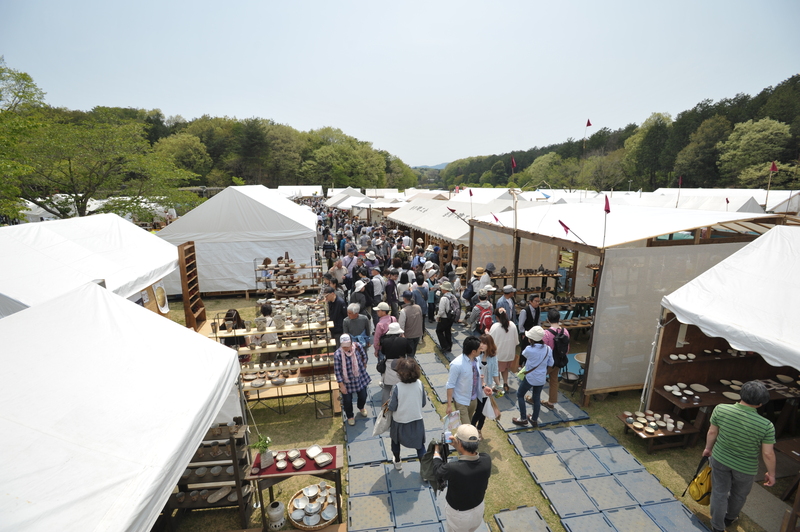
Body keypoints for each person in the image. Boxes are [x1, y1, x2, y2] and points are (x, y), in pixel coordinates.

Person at [703, 381, 776, 532]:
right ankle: (730, 517)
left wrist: (708, 449)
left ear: (741, 394)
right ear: (760, 403)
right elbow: (768, 453)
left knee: (719, 492)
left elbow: (712, 432)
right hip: (746, 467)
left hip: (720, 458)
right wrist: (771, 473)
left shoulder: (721, 409)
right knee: (739, 494)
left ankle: (717, 525)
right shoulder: (766, 425)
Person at [431, 424, 492, 532]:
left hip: (459, 516)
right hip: (478, 509)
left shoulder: (453, 468)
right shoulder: (486, 460)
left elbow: (437, 470)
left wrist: (436, 451)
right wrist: (458, 446)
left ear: (460, 443)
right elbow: (470, 459)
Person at [388, 357, 428, 469]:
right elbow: (423, 403)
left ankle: (397, 461)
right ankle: (425, 470)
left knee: (395, 442)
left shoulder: (397, 387)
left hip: (399, 421)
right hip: (416, 420)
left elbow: (392, 407)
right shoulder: (420, 384)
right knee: (420, 446)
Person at [445, 336, 493, 426]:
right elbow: (450, 385)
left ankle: (460, 438)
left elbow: (477, 377)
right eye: (479, 348)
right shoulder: (456, 364)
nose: (481, 350)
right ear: (473, 351)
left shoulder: (477, 359)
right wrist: (449, 405)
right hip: (461, 401)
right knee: (467, 428)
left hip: (473, 399)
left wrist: (484, 386)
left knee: (468, 426)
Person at [512, 326, 553, 427]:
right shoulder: (548, 349)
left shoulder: (529, 349)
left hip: (530, 377)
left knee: (520, 394)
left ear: (531, 339)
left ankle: (523, 418)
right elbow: (551, 363)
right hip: (541, 378)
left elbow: (524, 354)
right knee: (537, 398)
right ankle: (534, 419)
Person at [333, 334, 371, 426]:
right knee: (347, 401)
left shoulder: (357, 346)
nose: (345, 348)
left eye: (347, 346)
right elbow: (337, 371)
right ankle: (350, 416)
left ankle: (361, 407)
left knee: (363, 395)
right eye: (343, 346)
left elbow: (364, 356)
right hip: (347, 381)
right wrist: (341, 385)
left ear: (351, 343)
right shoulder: (338, 354)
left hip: (360, 377)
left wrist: (364, 365)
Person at [471, 334, 500, 438]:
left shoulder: (493, 357)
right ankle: (472, 428)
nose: (481, 345)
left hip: (487, 388)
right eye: (480, 343)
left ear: (489, 344)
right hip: (476, 387)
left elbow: (495, 373)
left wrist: (499, 385)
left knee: (482, 411)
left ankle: (478, 429)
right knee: (478, 410)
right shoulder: (476, 355)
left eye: (484, 343)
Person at [380, 322, 414, 403]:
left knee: (387, 387)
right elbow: (410, 351)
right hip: (401, 364)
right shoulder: (404, 341)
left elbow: (383, 352)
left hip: (389, 364)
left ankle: (384, 408)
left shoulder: (385, 341)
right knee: (403, 385)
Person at [542, 309, 569, 408]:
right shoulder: (565, 331)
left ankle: (534, 398)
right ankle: (551, 402)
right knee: (554, 381)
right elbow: (567, 348)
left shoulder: (546, 333)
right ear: (559, 319)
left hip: (547, 363)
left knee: (538, 381)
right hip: (559, 361)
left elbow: (543, 350)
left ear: (548, 319)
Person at [489, 307, 519, 393]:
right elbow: (516, 341)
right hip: (510, 354)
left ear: (496, 317)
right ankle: (505, 383)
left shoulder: (495, 326)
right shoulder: (512, 325)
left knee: (496, 370)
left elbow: (490, 341)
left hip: (499, 355)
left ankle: (498, 386)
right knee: (505, 369)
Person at [398, 290, 424, 357]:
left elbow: (401, 324)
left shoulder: (404, 311)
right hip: (417, 334)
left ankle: (411, 366)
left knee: (410, 354)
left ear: (404, 299)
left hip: (408, 335)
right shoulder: (418, 307)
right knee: (413, 351)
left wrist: (401, 335)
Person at [436, 281, 458, 356]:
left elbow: (441, 311)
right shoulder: (453, 296)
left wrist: (437, 317)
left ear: (444, 289)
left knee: (439, 331)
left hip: (444, 317)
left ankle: (444, 346)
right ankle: (449, 346)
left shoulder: (444, 298)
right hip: (451, 317)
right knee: (448, 331)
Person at [518, 295, 542, 365]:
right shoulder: (524, 311)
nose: (537, 303)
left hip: (535, 333)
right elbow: (521, 325)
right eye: (536, 301)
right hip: (526, 333)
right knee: (524, 349)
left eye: (538, 301)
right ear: (530, 302)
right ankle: (521, 364)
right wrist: (523, 334)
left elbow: (538, 321)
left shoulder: (538, 309)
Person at [372, 301, 397, 366]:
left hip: (383, 347)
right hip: (393, 345)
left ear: (383, 312)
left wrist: (376, 350)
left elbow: (376, 338)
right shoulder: (393, 319)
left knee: (382, 366)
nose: (377, 312)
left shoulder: (380, 324)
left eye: (378, 311)